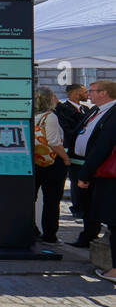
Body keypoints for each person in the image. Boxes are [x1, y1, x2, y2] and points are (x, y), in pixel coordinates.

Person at [71, 80, 116, 252]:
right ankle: (87, 234)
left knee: (98, 206)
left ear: (104, 93)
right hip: (80, 162)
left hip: (101, 169)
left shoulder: (112, 112)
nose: (88, 94)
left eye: (92, 91)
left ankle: (91, 235)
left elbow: (103, 146)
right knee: (84, 202)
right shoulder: (95, 110)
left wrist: (86, 173)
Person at [32, 88, 69, 244]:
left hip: (35, 160)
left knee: (30, 197)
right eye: (54, 96)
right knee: (52, 200)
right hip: (52, 162)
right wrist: (66, 159)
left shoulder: (33, 116)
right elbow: (54, 142)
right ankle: (49, 234)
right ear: (49, 99)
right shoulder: (50, 117)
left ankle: (31, 228)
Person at [55, 83, 95, 218]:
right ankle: (78, 208)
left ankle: (86, 207)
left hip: (85, 153)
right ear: (76, 93)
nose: (87, 95)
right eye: (84, 92)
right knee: (76, 180)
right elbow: (71, 129)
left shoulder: (84, 108)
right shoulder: (63, 109)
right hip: (72, 152)